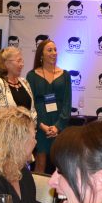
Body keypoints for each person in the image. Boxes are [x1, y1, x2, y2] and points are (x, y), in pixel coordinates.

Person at [25, 39, 72, 174]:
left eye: (55, 50)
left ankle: (59, 189)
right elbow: (30, 104)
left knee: (61, 166)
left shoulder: (65, 75)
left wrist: (58, 126)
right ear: (41, 54)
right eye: (50, 50)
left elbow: (67, 102)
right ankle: (38, 189)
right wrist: (41, 125)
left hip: (59, 124)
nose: (54, 53)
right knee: (40, 164)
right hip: (41, 125)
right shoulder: (32, 75)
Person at [0, 47, 36, 123]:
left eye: (22, 60)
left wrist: (32, 125)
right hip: (4, 129)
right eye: (18, 61)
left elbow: (32, 110)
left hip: (26, 129)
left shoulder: (24, 82)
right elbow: (1, 114)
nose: (22, 64)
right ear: (6, 63)